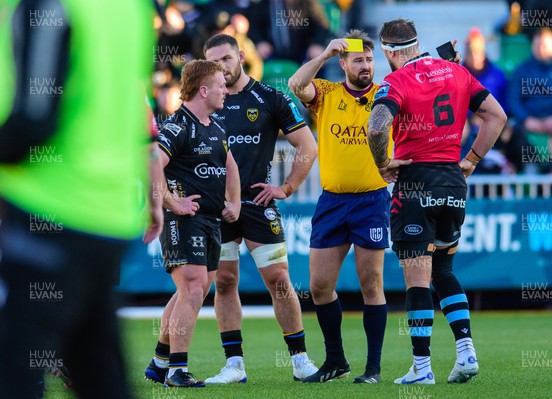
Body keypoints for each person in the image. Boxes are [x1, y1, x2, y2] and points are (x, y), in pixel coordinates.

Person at [0, 0, 156, 398]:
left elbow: (33, 120)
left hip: (49, 206)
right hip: (108, 212)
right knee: (98, 372)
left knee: (16, 367)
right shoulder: (129, 8)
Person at [367, 18, 507, 384]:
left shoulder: (395, 82)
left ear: (387, 50)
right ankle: (466, 353)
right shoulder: (456, 71)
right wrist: (472, 160)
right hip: (452, 180)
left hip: (415, 182)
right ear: (417, 43)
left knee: (417, 280)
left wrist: (382, 164)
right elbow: (496, 116)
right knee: (443, 271)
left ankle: (422, 368)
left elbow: (377, 126)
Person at [198, 33, 318, 384]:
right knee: (224, 282)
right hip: (216, 210)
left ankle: (300, 360)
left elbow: (307, 145)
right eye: (214, 62)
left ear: (241, 56)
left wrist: (286, 187)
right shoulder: (205, 103)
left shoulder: (269, 98)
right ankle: (234, 365)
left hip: (256, 204)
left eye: (226, 58)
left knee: (279, 280)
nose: (221, 67)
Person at [287, 30, 390, 384]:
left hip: (371, 200)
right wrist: (325, 54)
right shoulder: (328, 93)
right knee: (319, 286)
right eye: (358, 59)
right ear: (343, 63)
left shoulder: (385, 95)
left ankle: (373, 368)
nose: (366, 65)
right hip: (332, 202)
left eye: (370, 59)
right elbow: (295, 84)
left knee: (371, 283)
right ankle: (336, 360)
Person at [144, 59, 241, 388]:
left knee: (192, 292)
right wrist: (171, 203)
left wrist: (235, 202)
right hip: (184, 221)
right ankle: (177, 370)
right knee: (194, 288)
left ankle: (159, 362)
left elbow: (230, 166)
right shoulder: (178, 125)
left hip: (210, 221)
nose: (225, 90)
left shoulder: (215, 126)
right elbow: (154, 162)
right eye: (220, 85)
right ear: (203, 90)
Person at [507, 28, 552, 159]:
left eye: (544, 45)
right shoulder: (521, 70)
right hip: (527, 123)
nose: (540, 49)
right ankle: (527, 170)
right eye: (537, 45)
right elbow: (513, 100)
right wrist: (526, 119)